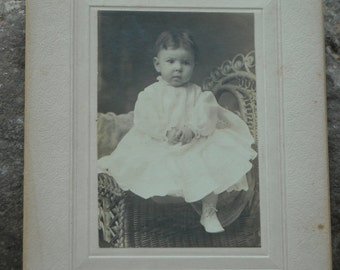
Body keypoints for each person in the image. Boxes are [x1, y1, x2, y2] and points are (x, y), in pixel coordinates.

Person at [98, 29, 257, 233]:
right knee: (150, 168)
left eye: (185, 63)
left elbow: (207, 116)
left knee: (212, 163)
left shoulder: (198, 94)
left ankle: (208, 211)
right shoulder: (150, 94)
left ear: (193, 66)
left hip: (193, 144)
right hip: (159, 143)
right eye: (171, 61)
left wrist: (192, 129)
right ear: (158, 64)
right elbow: (144, 120)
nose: (178, 68)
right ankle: (149, 216)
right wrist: (165, 132)